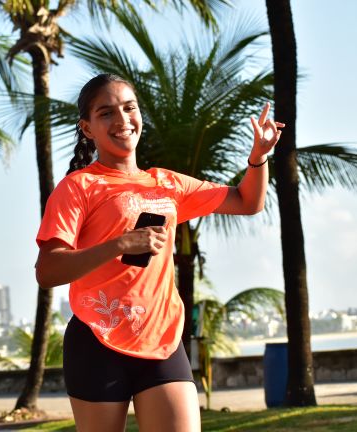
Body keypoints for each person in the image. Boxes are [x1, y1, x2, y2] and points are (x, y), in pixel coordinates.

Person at [35, 73, 283, 432]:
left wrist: (258, 157)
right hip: (96, 342)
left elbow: (247, 201)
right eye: (106, 113)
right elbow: (48, 271)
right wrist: (120, 244)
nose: (122, 120)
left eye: (129, 108)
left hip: (162, 340)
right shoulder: (78, 187)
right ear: (87, 128)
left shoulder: (168, 183)